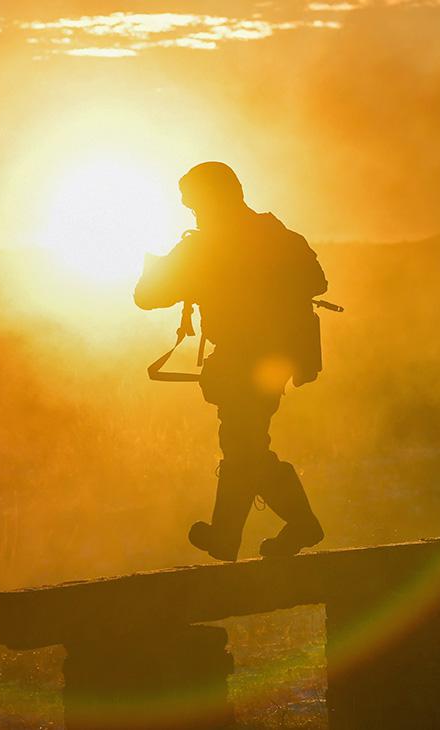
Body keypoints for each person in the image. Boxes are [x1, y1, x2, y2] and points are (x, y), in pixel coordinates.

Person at [134, 162, 327, 561]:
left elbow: (147, 295)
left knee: (243, 447)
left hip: (247, 362)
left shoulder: (205, 246)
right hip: (273, 361)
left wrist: (172, 268)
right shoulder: (275, 234)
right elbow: (317, 279)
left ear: (213, 199)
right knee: (245, 448)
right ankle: (245, 534)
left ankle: (262, 531)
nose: (194, 213)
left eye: (195, 205)